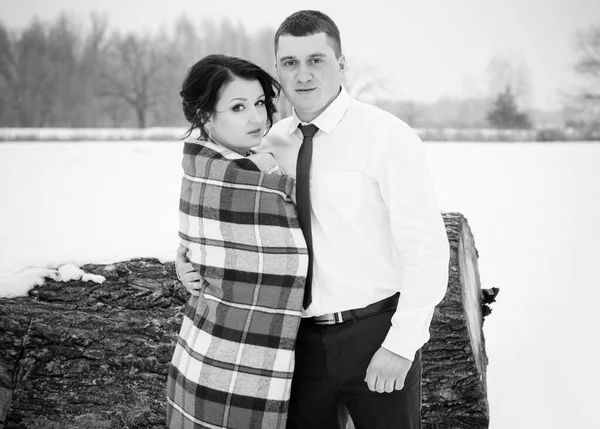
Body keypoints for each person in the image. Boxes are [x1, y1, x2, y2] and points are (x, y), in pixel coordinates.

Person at [258, 10, 451, 429]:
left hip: (374, 332)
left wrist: (401, 346)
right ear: (277, 69)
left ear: (341, 64)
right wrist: (186, 257)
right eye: (290, 63)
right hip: (297, 345)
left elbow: (426, 249)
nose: (303, 74)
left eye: (317, 60)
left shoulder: (386, 136)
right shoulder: (269, 144)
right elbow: (224, 208)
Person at [166, 54, 308, 429]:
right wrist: (185, 259)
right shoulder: (218, 175)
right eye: (238, 107)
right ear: (204, 116)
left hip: (220, 355)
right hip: (222, 367)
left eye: (260, 103)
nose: (257, 118)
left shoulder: (257, 164)